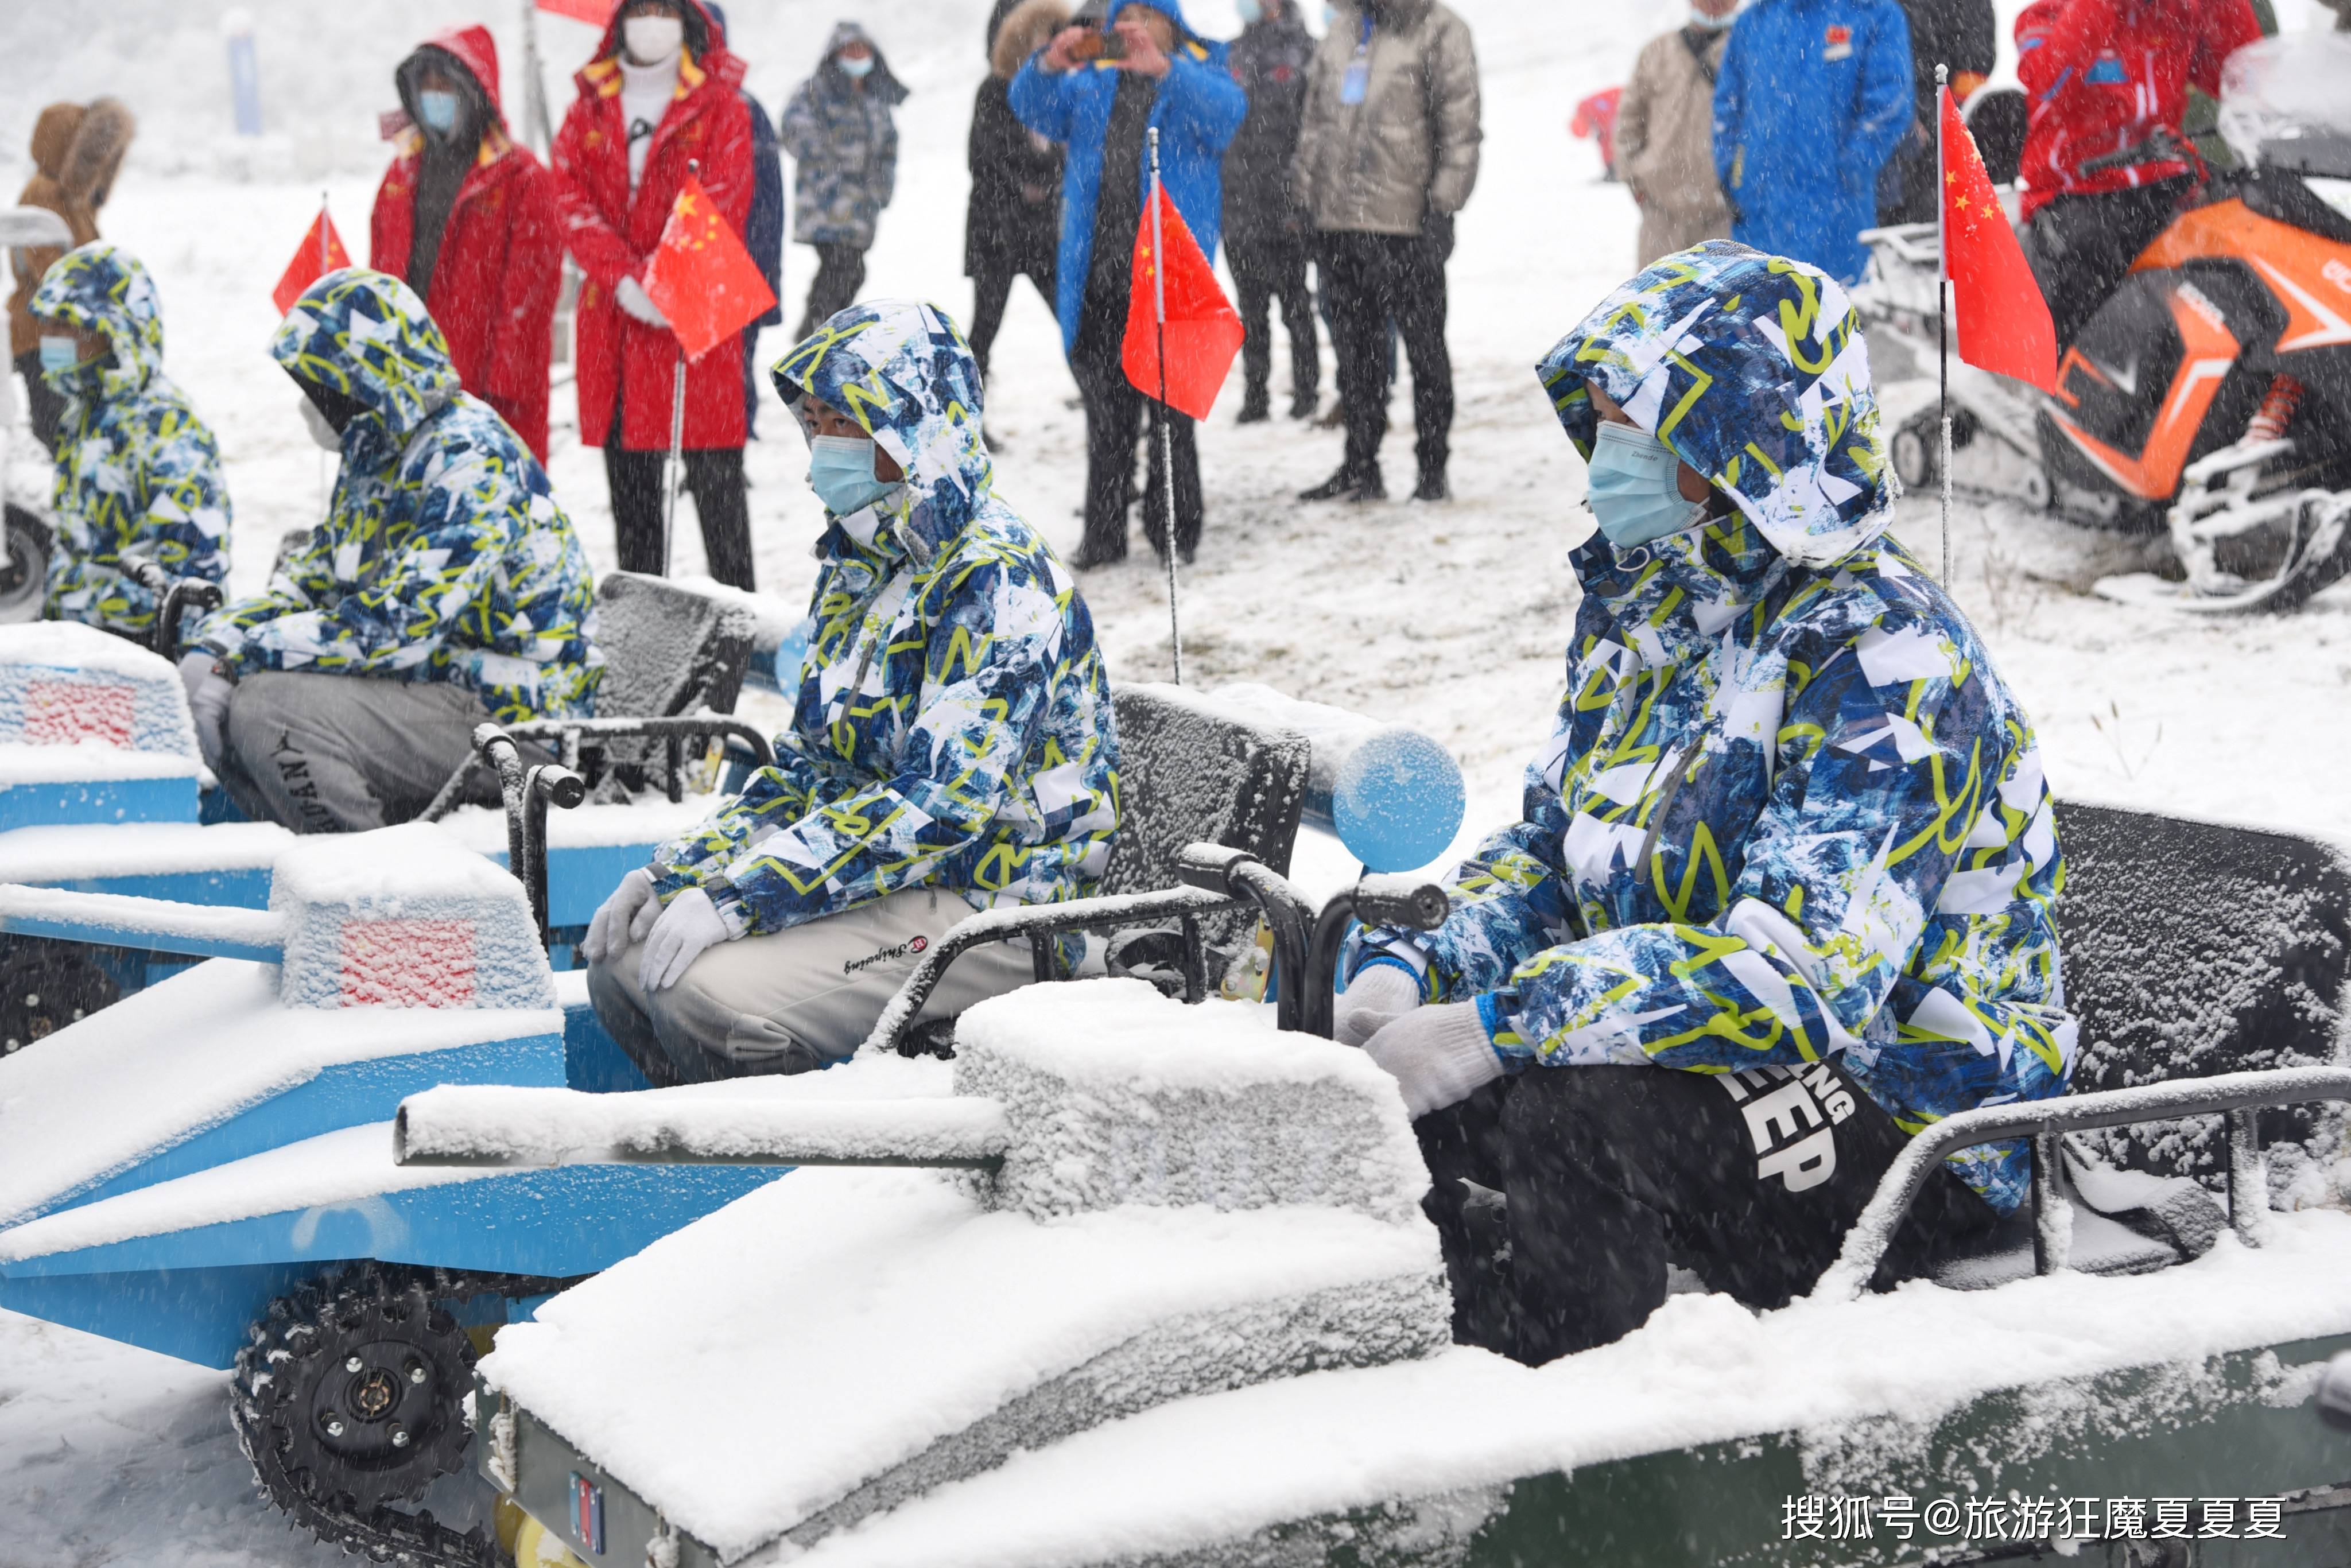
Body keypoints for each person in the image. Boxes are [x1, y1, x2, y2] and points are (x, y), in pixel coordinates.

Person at [1337, 242, 2073, 1366]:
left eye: (1626, 432)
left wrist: (1502, 1023)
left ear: (1727, 445)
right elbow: (1548, 851)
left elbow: (1798, 978)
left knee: (1566, 1121)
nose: (1597, 468)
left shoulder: (1882, 658)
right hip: (1715, 1061)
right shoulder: (1651, 616)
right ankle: (1429, 1373)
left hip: (1922, 1107)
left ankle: (1577, 1457)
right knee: (1398, 1105)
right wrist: (1413, 973)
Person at [581, 298, 1120, 1085]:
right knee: (624, 962)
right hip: (896, 880)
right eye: (816, 423)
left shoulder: (997, 579)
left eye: (845, 422)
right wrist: (677, 872)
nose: (821, 450)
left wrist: (746, 895)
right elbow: (809, 771)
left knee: (700, 996)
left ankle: (796, 1176)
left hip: (996, 898)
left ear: (913, 429)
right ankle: (702, 1149)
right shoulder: (862, 565)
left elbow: (940, 809)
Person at [185, 269, 601, 835]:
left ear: (365, 380)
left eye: (321, 387)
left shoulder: (469, 456)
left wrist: (243, 659)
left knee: (271, 711)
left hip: (516, 716)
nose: (312, 405)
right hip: (438, 688)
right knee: (226, 698)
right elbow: (315, 580)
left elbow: (398, 628)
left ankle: (369, 887)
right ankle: (296, 858)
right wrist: (215, 643)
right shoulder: (378, 448)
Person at [1010, 2, 1246, 567]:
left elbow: (1226, 116)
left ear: (1170, 23)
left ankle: (1175, 529)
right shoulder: (1093, 83)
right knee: (1107, 415)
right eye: (1123, 13)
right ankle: (1104, 533)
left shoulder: (1196, 72)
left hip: (1169, 280)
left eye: (1146, 12)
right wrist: (1048, 62)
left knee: (1171, 414)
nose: (1131, 24)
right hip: (1098, 274)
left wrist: (1163, 67)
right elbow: (1031, 107)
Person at [551, 0, 758, 590]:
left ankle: (738, 630)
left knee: (719, 491)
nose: (652, 20)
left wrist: (667, 281)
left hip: (698, 315)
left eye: (665, 9)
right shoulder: (586, 109)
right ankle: (645, 635)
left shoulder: (722, 107)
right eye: (640, 8)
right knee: (634, 499)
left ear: (687, 20)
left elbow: (724, 196)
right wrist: (620, 276)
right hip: (615, 323)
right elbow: (570, 199)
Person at [1291, 0, 1481, 504]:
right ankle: (1360, 465)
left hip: (1405, 222)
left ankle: (1432, 469)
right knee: (1356, 354)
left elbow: (1459, 127)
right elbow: (1314, 123)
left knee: (1424, 351)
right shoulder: (1343, 30)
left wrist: (1442, 207)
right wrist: (1306, 200)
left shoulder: (1441, 30)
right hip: (1338, 223)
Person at [2014, 0, 2263, 351]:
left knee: (2241, 251)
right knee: (2094, 258)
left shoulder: (2176, 16)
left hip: (2162, 183)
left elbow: (2243, 81)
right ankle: (2060, 378)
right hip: (2075, 194)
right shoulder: (2044, 16)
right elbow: (2047, 81)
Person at [370, 25, 565, 463]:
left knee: (486, 509)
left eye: (446, 83)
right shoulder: (399, 176)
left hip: (483, 388)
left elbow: (529, 298)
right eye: (426, 84)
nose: (434, 94)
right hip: (407, 378)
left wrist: (501, 392)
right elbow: (378, 278)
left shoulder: (521, 178)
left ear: (475, 91)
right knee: (412, 510)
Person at [27, 243, 228, 640]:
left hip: (142, 650)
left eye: (66, 325)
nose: (49, 336)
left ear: (116, 330)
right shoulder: (84, 414)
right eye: (47, 323)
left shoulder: (165, 426)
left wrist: (95, 613)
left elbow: (194, 571)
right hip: (79, 643)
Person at [1712, 0, 1912, 285]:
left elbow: (1889, 105)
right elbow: (1728, 107)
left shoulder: (1872, 13)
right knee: (1759, 321)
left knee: (1831, 318)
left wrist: (1850, 170)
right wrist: (1734, 173)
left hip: (1836, 220)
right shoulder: (1755, 20)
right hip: (1760, 215)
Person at [8, 99, 134, 457]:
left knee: (67, 426)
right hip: (46, 332)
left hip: (58, 331)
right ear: (67, 146)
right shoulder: (43, 194)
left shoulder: (62, 195)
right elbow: (51, 271)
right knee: (57, 429)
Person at [1223, 0, 1320, 425]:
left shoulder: (1305, 50)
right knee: (1250, 310)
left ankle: (1307, 391)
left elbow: (1312, 128)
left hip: (1286, 203)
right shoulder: (1232, 54)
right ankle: (1256, 395)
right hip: (1239, 204)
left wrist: (1299, 196)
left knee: (1296, 303)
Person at [780, 23, 909, 340]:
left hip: (862, 209)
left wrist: (880, 188)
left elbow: (889, 146)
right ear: (835, 54)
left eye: (862, 50)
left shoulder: (875, 98)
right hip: (826, 205)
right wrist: (835, 173)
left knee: (851, 272)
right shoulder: (814, 90)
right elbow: (794, 131)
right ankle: (813, 338)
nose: (857, 56)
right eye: (850, 50)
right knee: (842, 269)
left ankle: (823, 337)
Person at [965, 0, 1070, 386]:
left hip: (1045, 229)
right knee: (984, 328)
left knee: (1078, 320)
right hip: (997, 228)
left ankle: (1107, 404)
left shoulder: (1065, 86)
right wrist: (1032, 180)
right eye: (1046, 34)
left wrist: (1048, 179)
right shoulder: (995, 89)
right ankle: (965, 417)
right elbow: (984, 157)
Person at [704, 3, 786, 439]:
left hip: (741, 259)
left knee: (735, 363)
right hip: (685, 266)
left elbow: (770, 202)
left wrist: (762, 268)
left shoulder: (744, 108)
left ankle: (733, 438)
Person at [1615, 0, 1738, 269]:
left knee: (1724, 305)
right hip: (1662, 211)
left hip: (1724, 215)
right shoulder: (1656, 52)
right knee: (1655, 302)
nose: (1715, 3)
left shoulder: (1746, 49)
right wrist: (1636, 180)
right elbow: (1628, 121)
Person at [1876, 0, 1995, 225]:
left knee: (1933, 223)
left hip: (1942, 126)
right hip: (1886, 121)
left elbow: (1977, 62)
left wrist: (1935, 117)